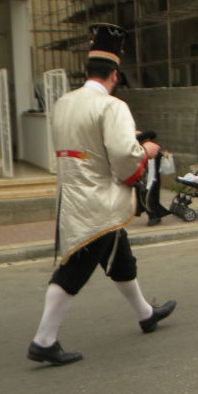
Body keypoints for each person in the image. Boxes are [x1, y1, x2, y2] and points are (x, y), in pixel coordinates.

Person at [27, 23, 176, 366]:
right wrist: (146, 150)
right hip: (98, 198)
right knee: (74, 269)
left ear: (85, 71)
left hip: (73, 195)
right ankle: (44, 339)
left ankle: (145, 313)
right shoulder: (113, 107)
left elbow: (84, 145)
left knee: (119, 257)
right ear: (115, 74)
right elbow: (125, 158)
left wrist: (129, 140)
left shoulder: (64, 103)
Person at [134, 129, 171, 226]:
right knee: (149, 199)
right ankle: (155, 216)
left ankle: (154, 216)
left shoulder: (151, 150)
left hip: (151, 180)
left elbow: (151, 168)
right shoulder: (150, 149)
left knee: (149, 199)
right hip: (150, 179)